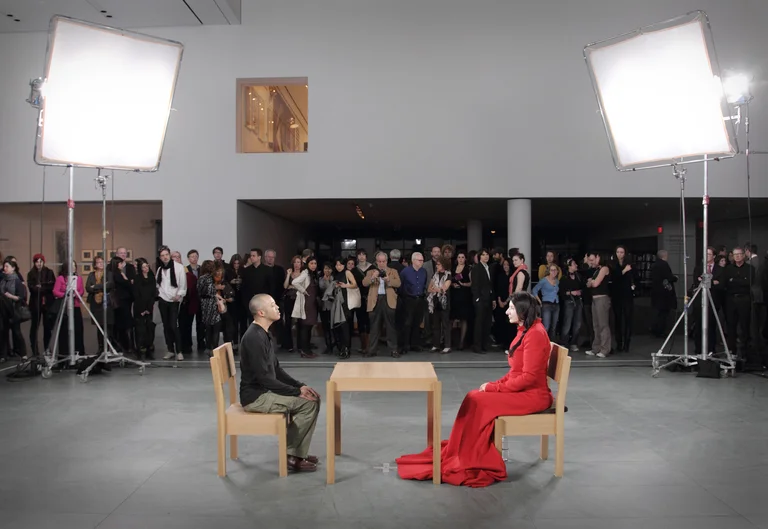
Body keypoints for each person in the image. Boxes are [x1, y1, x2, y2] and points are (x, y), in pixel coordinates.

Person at [396, 291, 553, 487]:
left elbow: (528, 378)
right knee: (473, 396)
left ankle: (470, 457)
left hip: (533, 396)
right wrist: (495, 385)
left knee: (479, 400)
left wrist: (496, 388)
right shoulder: (525, 330)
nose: (507, 312)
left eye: (511, 308)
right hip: (524, 390)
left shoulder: (535, 335)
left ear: (523, 311)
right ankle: (460, 450)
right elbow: (516, 372)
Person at [240, 294, 321, 472]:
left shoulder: (263, 333)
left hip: (264, 391)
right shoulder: (254, 337)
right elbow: (265, 379)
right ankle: (291, 456)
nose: (277, 307)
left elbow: (276, 370)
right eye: (272, 305)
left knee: (311, 397)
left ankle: (297, 453)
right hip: (256, 397)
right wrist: (295, 393)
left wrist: (299, 386)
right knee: (308, 404)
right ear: (261, 312)